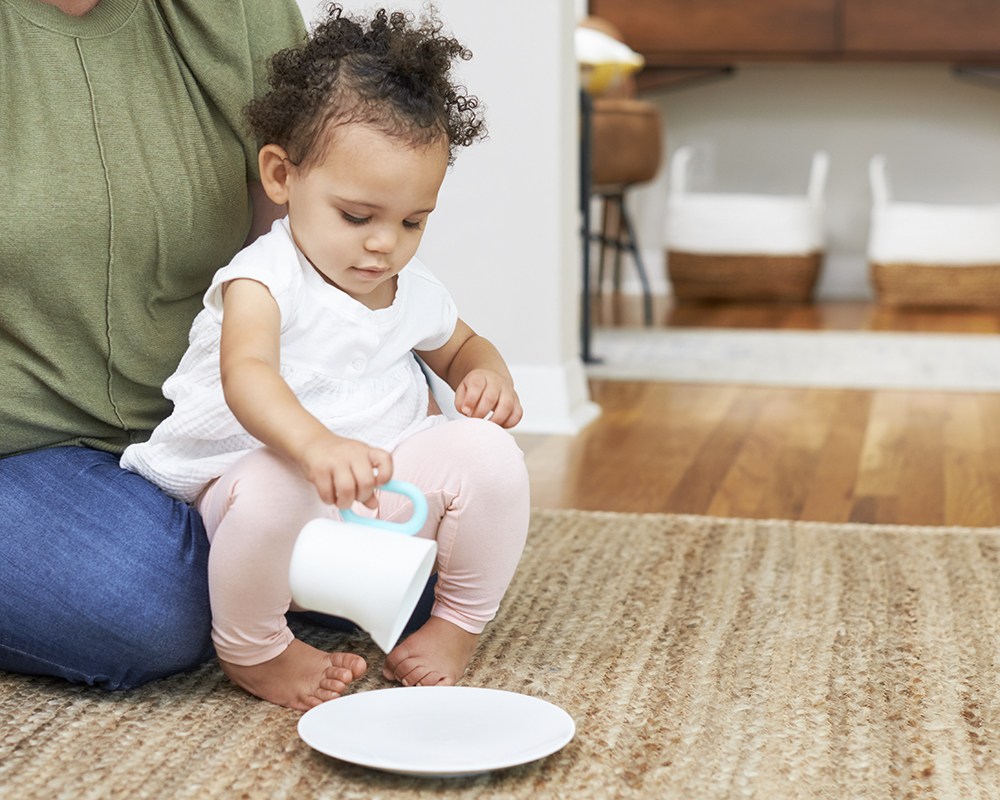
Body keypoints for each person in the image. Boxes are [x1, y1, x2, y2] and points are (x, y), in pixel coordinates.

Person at [120, 5, 530, 711]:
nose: (385, 245)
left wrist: (484, 374)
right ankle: (257, 649)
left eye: (412, 222)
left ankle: (457, 623)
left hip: (374, 485)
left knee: (493, 458)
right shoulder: (265, 277)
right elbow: (247, 375)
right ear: (282, 176)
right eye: (357, 216)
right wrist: (313, 446)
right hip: (262, 483)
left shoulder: (405, 286)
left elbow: (461, 344)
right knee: (277, 487)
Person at [0, 0, 306, 690]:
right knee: (148, 604)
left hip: (205, 410)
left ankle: (241, 540)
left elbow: (296, 253)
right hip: (21, 447)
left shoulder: (240, 14)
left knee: (431, 544)